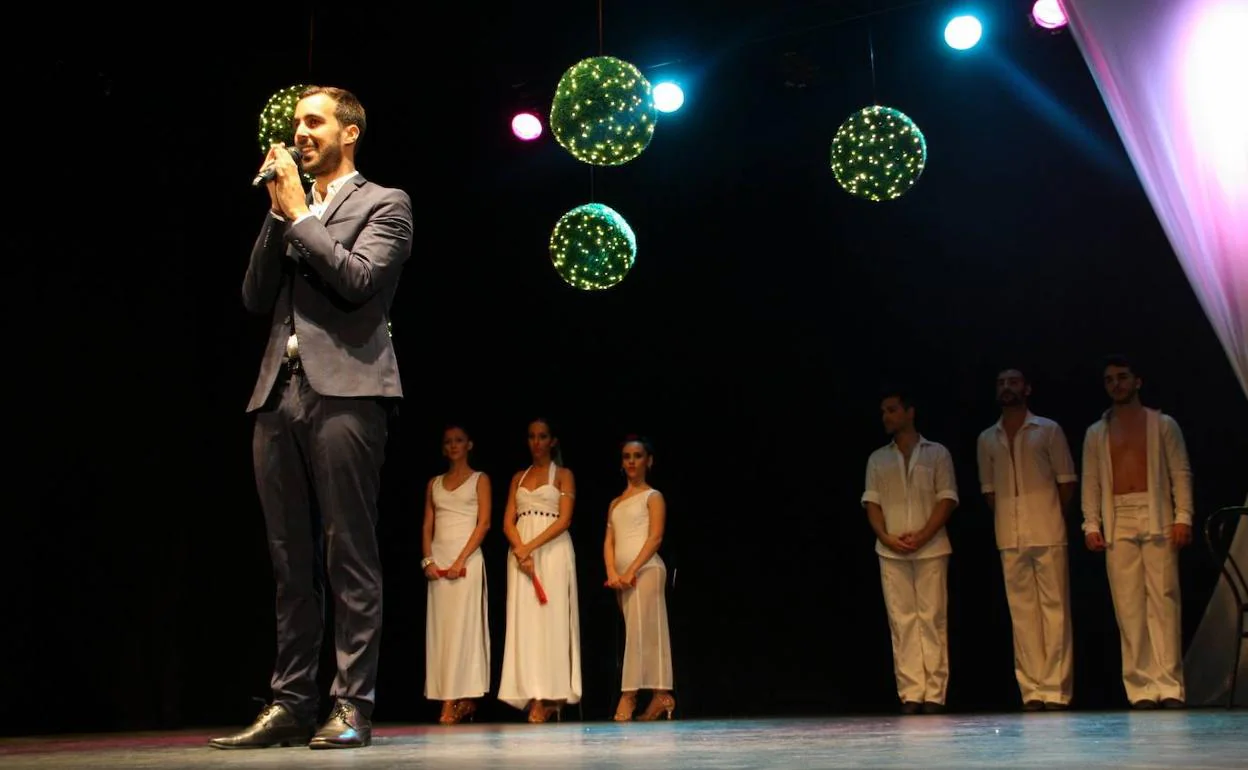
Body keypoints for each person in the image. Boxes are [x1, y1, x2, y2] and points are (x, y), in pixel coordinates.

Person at [210, 85, 414, 750]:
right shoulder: (285, 206)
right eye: (297, 122)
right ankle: (291, 701)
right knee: (287, 559)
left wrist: (302, 217)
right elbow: (253, 296)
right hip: (278, 393)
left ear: (349, 132)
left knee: (348, 552)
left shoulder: (386, 203)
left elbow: (357, 282)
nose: (301, 132)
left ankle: (351, 703)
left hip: (349, 393)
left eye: (315, 121)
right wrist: (280, 215)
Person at [1081, 354, 1193, 709]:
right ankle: (1141, 687)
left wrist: (1183, 516)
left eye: (1123, 377)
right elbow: (1092, 482)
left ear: (1137, 381)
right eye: (1110, 379)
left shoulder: (1162, 424)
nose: (1117, 384)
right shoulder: (1096, 432)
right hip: (1119, 516)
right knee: (1128, 607)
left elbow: (1180, 472)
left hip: (1156, 511)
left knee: (1164, 600)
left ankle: (1170, 684)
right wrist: (1091, 523)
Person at [976, 368, 1077, 711]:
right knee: (1022, 615)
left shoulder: (1047, 429)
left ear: (1028, 388)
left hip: (1047, 531)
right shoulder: (987, 438)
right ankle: (1032, 690)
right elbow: (989, 492)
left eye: (1013, 381)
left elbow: (1066, 482)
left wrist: (1045, 512)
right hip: (1009, 535)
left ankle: (1056, 690)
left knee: (1055, 613)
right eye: (1001, 382)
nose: (1006, 387)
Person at [861, 389, 959, 714]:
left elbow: (946, 498)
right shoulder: (878, 458)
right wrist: (887, 537)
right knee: (902, 622)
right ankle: (911, 693)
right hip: (891, 551)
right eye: (883, 412)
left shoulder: (937, 453)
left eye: (892, 410)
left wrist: (924, 534)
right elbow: (872, 503)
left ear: (909, 412)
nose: (886, 417)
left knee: (932, 619)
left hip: (931, 547)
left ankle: (934, 693)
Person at [497, 418, 583, 722]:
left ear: (552, 441)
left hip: (552, 550)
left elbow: (564, 520)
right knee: (526, 623)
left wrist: (528, 546)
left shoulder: (563, 475)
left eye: (542, 436)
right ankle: (533, 694)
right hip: (521, 554)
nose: (536, 442)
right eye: (532, 436)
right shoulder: (518, 477)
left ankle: (552, 695)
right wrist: (520, 549)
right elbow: (508, 520)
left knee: (553, 620)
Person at [421, 425, 492, 725]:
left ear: (469, 445)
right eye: (448, 441)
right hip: (439, 562)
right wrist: (427, 561)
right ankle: (455, 699)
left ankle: (457, 700)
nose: (453, 446)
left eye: (459, 441)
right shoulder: (434, 483)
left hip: (466, 562)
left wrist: (460, 560)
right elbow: (427, 524)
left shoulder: (480, 479)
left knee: (465, 629)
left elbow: (484, 522)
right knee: (442, 632)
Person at [604, 435, 675, 722]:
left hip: (646, 571)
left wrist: (631, 570)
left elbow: (655, 537)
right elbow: (609, 540)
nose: (631, 461)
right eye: (626, 456)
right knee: (641, 634)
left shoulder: (653, 496)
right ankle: (661, 695)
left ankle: (629, 695)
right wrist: (612, 572)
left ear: (649, 461)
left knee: (641, 634)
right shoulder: (615, 502)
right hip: (622, 577)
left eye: (637, 456)